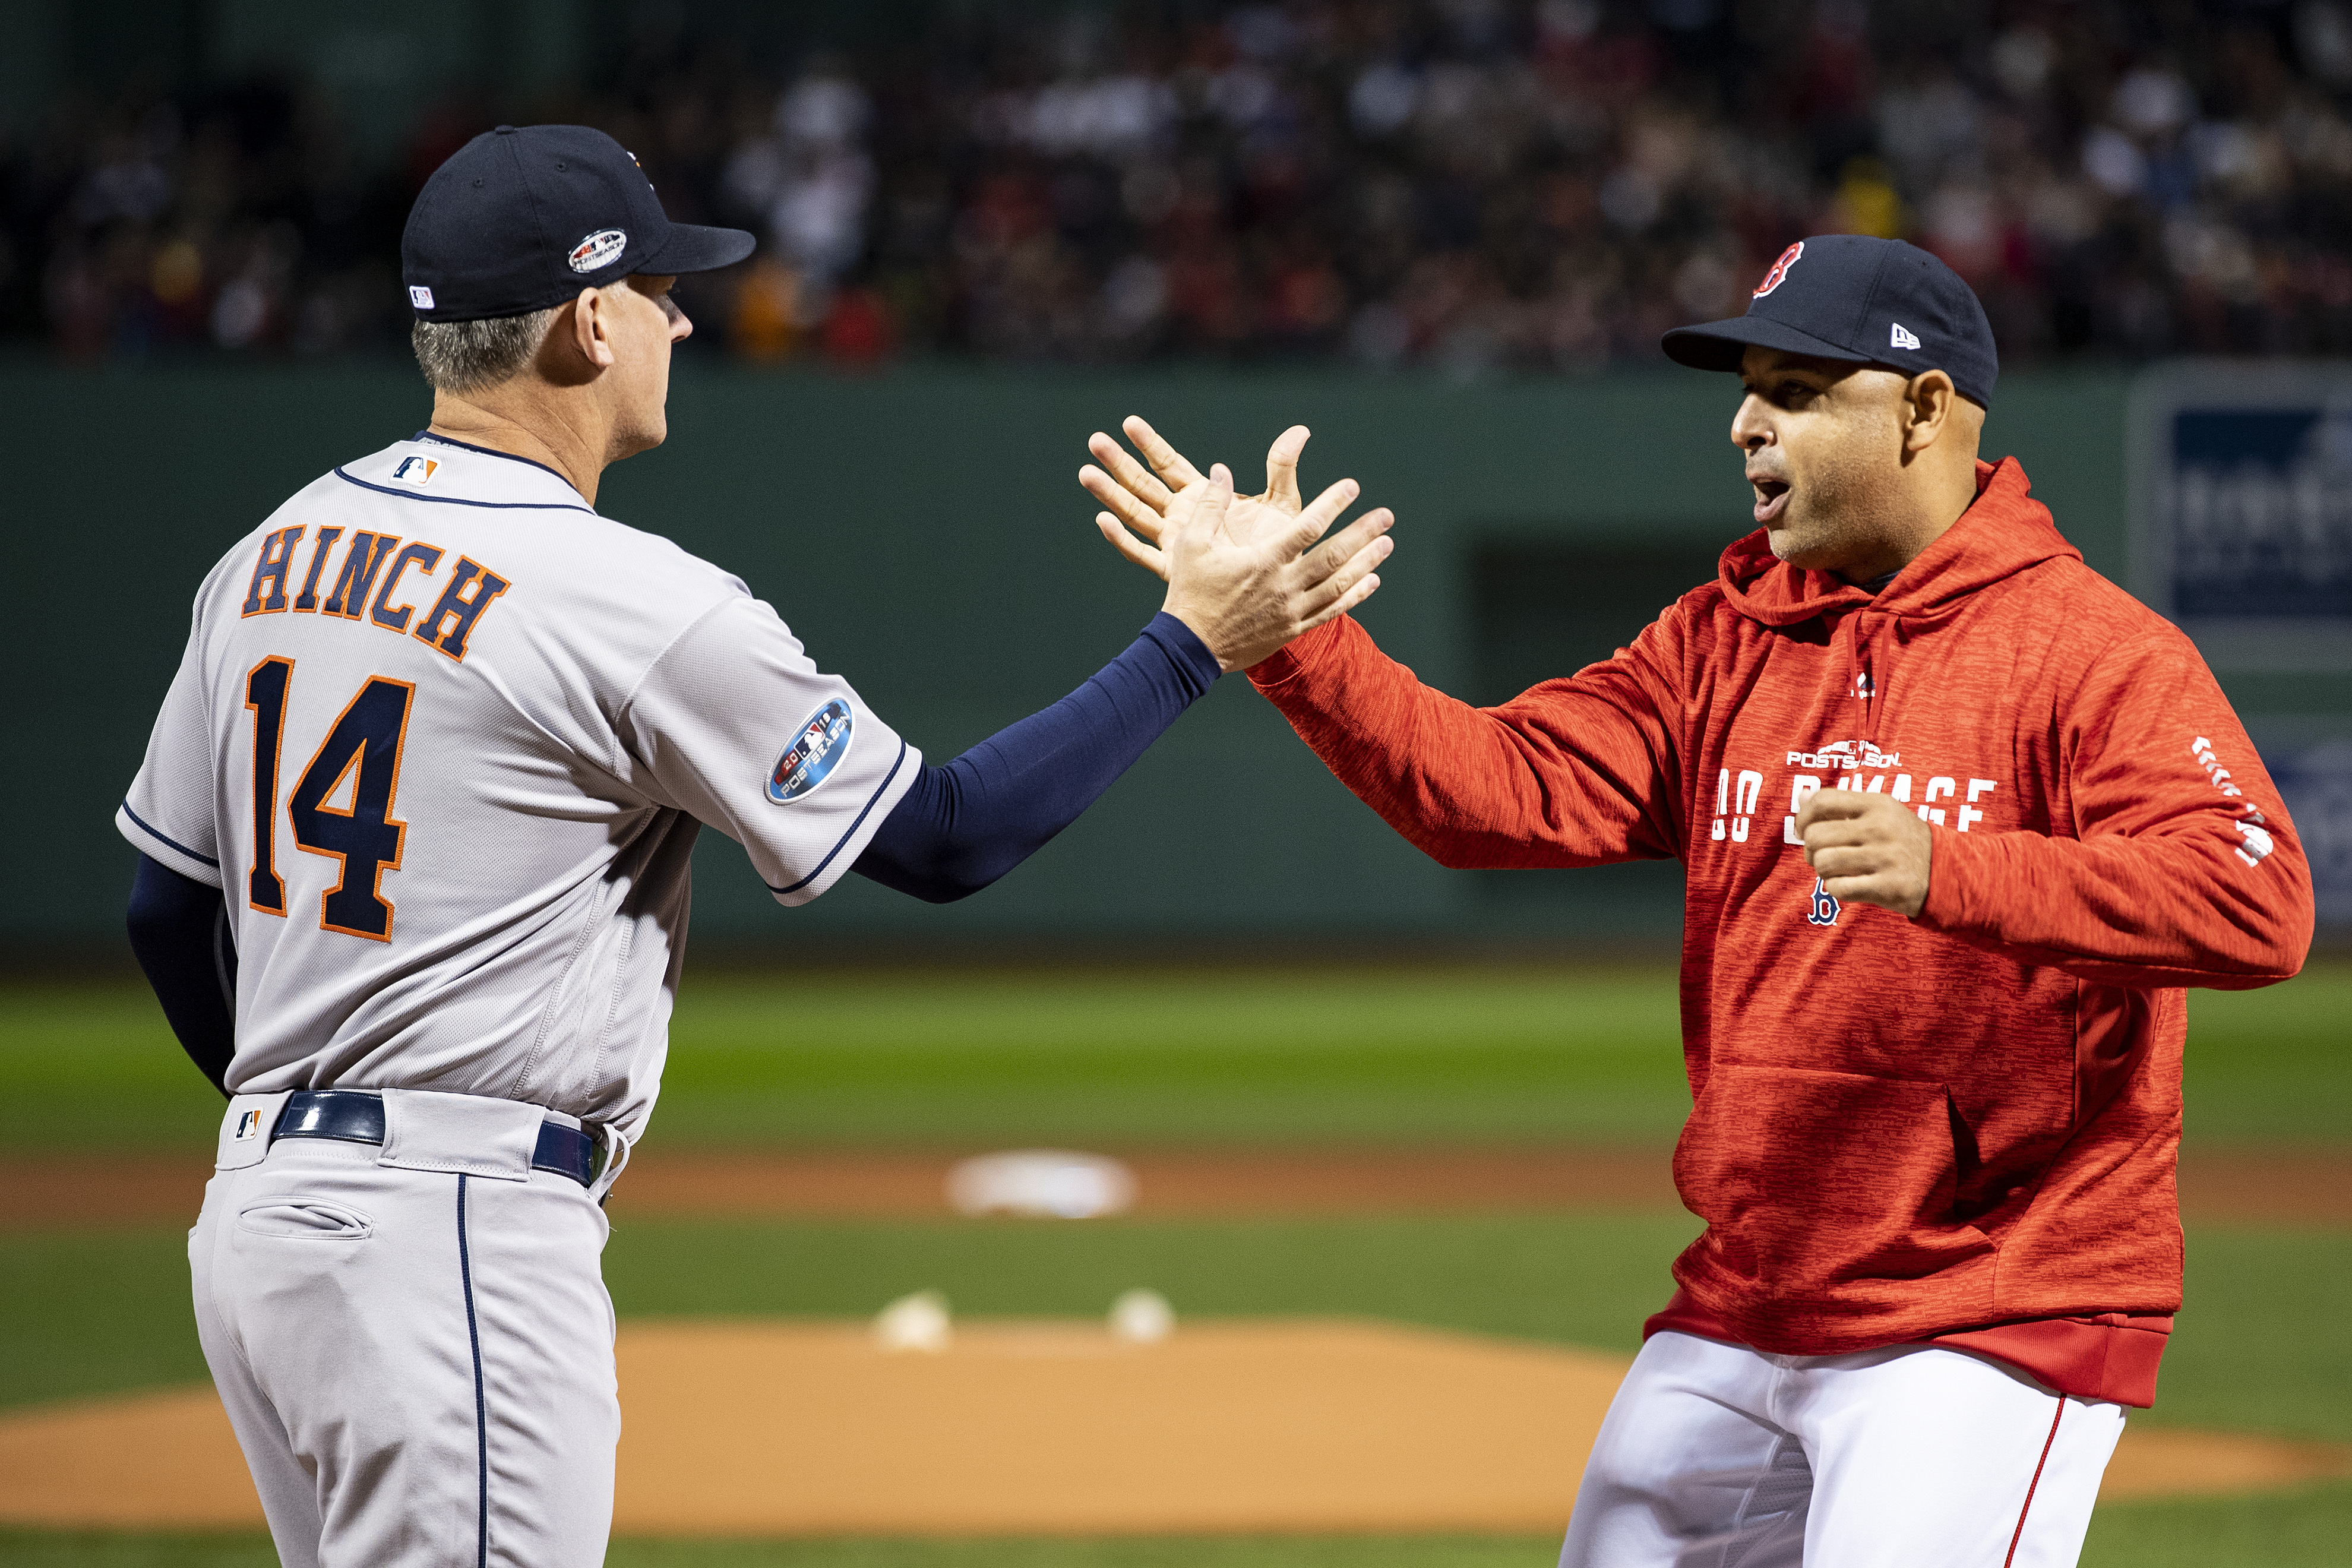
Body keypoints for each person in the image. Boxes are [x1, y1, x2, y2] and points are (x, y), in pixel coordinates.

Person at [116, 124, 1392, 1568]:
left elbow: (170, 909)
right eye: (660, 288)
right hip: (449, 1240)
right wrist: (1192, 644)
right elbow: (946, 837)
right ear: (589, 321)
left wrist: (298, 1121)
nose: (682, 316)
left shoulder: (268, 556)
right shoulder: (625, 597)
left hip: (257, 1233)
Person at [1080, 233, 2315, 1567]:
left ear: (1921, 409)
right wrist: (1292, 640)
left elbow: (2256, 902)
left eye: (1792, 390)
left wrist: (1953, 871)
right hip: (1745, 1297)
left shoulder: (2093, 653)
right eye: (1746, 390)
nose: (1743, 424)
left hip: (1990, 1312)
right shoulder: (1719, 640)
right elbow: (1490, 791)